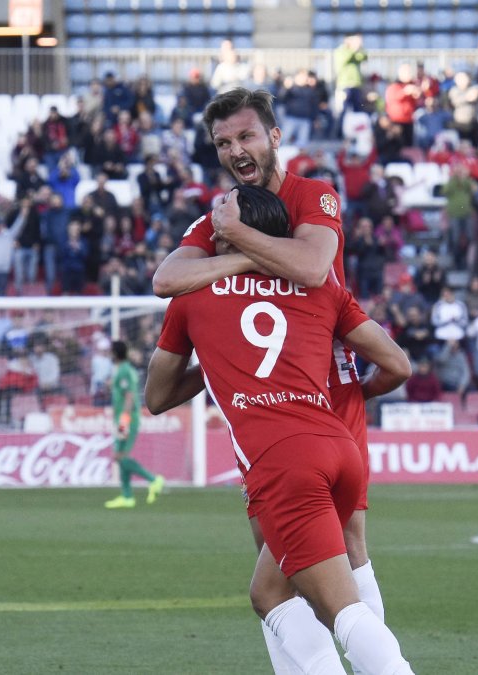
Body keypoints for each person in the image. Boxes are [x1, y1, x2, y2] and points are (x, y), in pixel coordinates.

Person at [149, 89, 393, 672]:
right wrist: (244, 261)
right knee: (275, 564)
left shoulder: (313, 196)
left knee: (346, 546)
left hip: (325, 384)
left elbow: (311, 267)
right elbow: (167, 276)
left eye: (246, 136)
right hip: (274, 387)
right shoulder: (223, 213)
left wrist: (234, 244)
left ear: (275, 135)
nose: (236, 150)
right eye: (223, 143)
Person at [104, 340, 164, 509]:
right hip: (125, 418)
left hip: (126, 418)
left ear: (115, 354)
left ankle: (154, 480)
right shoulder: (125, 370)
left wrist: (124, 421)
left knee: (119, 456)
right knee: (121, 455)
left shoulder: (123, 371)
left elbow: (129, 397)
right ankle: (127, 496)